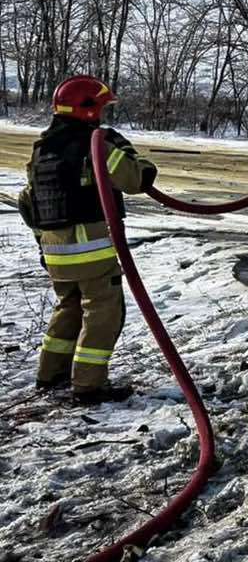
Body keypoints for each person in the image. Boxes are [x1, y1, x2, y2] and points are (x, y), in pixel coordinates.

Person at [17, 75, 158, 404]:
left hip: (54, 249)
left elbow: (28, 202)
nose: (103, 115)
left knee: (68, 308)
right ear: (89, 109)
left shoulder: (42, 150)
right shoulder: (96, 144)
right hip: (90, 250)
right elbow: (137, 179)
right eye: (102, 108)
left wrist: (43, 245)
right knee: (102, 314)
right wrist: (128, 150)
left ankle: (50, 374)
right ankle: (88, 386)